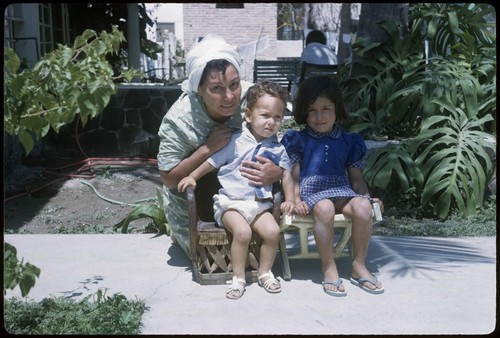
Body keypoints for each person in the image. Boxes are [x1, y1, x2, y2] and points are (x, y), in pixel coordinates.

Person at [157, 35, 282, 256]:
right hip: (196, 200)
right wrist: (207, 148)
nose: (229, 96)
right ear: (199, 90)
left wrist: (277, 172)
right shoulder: (179, 120)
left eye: (234, 84)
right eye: (216, 88)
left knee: (258, 252)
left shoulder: (253, 99)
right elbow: (168, 178)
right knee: (212, 256)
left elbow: (280, 144)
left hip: (247, 196)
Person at [178, 80, 295, 300]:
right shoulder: (236, 141)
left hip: (259, 205)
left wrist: (289, 198)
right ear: (249, 115)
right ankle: (238, 278)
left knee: (272, 231)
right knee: (242, 232)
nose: (271, 122)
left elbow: (286, 173)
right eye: (265, 115)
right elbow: (213, 161)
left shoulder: (278, 148)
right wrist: (192, 176)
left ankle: (265, 272)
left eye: (277, 117)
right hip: (230, 203)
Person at [281, 75, 385, 296]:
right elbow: (294, 173)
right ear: (304, 112)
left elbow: (355, 178)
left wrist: (367, 197)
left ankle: (358, 265)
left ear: (337, 109)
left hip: (342, 190)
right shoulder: (299, 139)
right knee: (325, 207)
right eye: (312, 110)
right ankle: (329, 266)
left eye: (325, 108)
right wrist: (296, 199)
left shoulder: (349, 141)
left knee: (363, 208)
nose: (319, 116)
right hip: (313, 194)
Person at [290, 30, 338, 101]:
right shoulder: (331, 52)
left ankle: (296, 107)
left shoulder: (307, 50)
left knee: (296, 84)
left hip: (311, 87)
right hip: (329, 86)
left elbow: (301, 71)